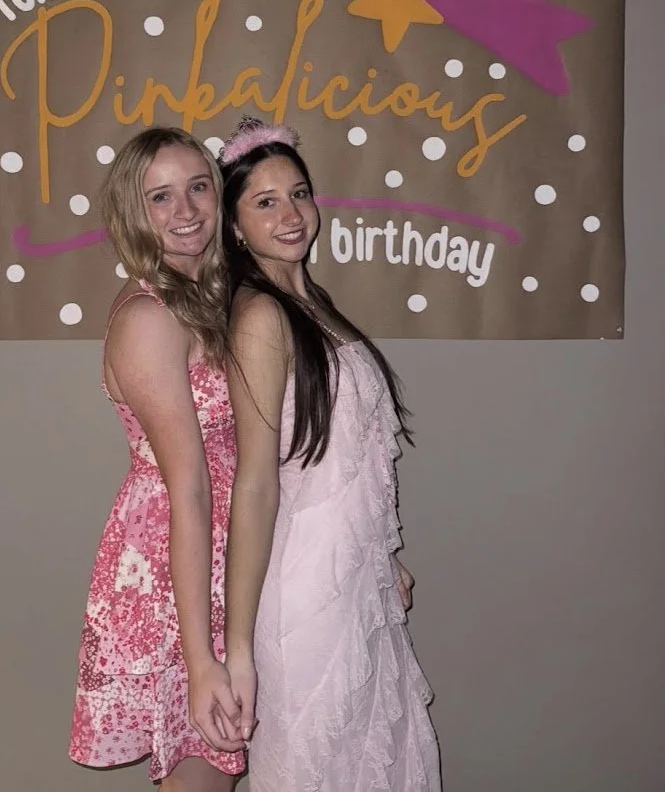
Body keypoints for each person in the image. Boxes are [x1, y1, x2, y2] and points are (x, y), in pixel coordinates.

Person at [219, 117, 442, 791]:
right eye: (264, 201)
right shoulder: (260, 317)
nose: (290, 214)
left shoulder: (312, 303)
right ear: (233, 226)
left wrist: (383, 555)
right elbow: (255, 485)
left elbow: (343, 465)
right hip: (305, 594)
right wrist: (236, 650)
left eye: (299, 193)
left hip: (357, 583)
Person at [69, 127, 246, 791]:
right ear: (131, 213)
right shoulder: (150, 317)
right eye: (161, 196)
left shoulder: (206, 300)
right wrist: (200, 659)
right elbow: (189, 488)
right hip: (181, 569)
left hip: (228, 550)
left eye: (198, 187)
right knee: (203, 766)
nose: (187, 211)